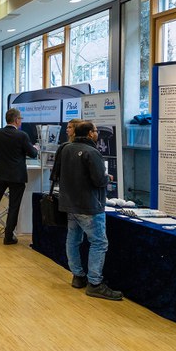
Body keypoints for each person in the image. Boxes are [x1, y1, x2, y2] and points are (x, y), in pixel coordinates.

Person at [57, 121, 122, 300]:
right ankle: (95, 283)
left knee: (73, 240)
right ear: (89, 134)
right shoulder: (92, 152)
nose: (97, 134)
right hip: (89, 205)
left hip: (69, 203)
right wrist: (107, 178)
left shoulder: (66, 148)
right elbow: (99, 180)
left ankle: (78, 276)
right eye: (94, 131)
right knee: (99, 242)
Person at [0, 108, 37, 244]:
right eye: (20, 119)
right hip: (17, 176)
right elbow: (32, 154)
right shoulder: (22, 136)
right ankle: (8, 237)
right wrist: (35, 149)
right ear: (16, 120)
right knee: (14, 206)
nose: (21, 121)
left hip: (0, 174)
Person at [50, 118, 84, 183]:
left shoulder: (67, 146)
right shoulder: (65, 146)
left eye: (70, 127)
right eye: (67, 127)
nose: (67, 130)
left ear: (77, 129)